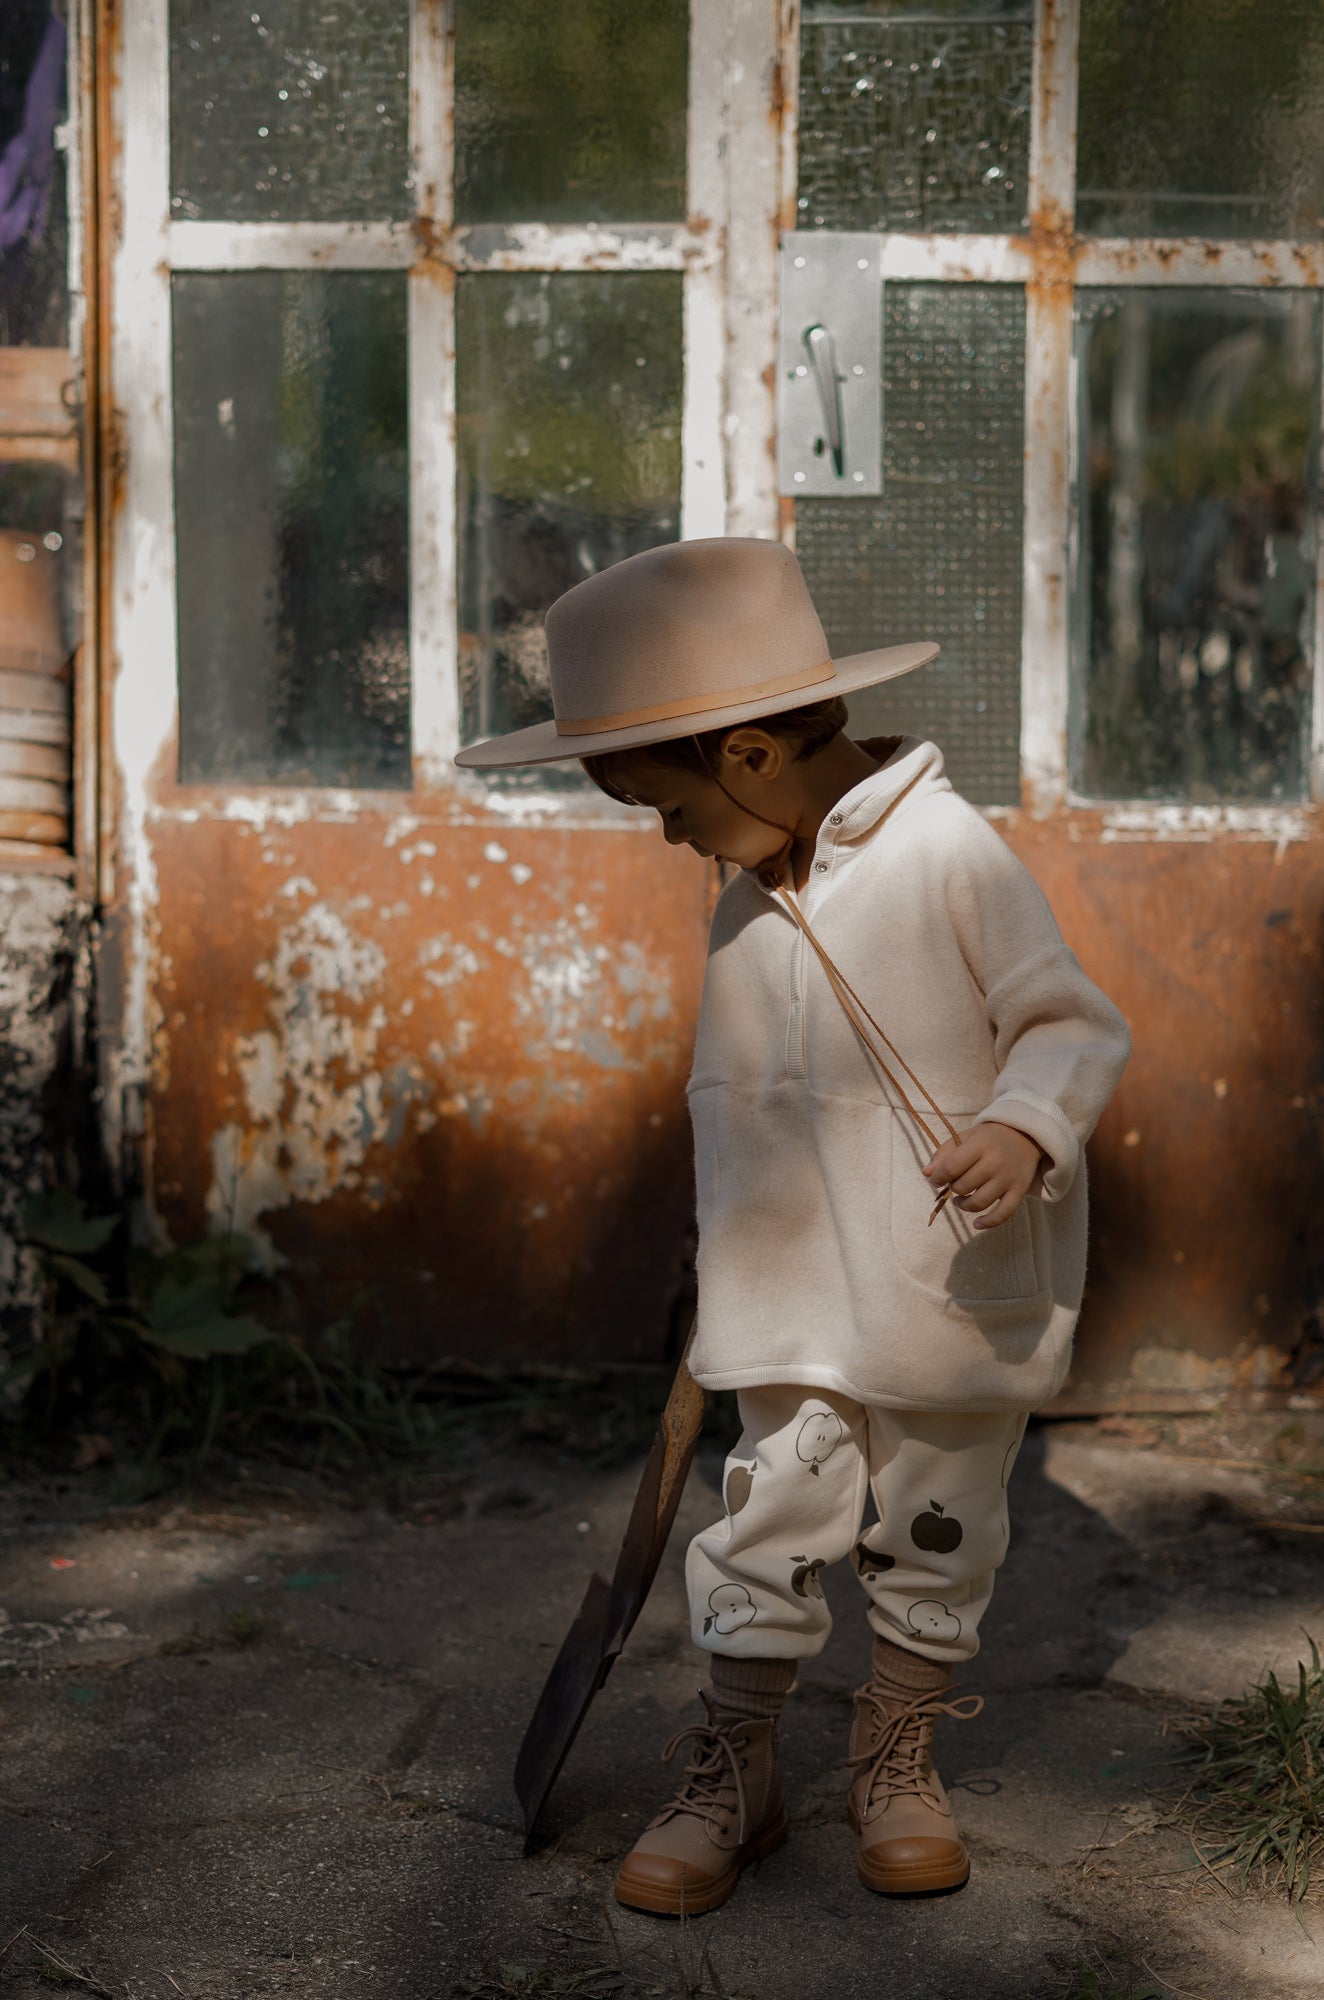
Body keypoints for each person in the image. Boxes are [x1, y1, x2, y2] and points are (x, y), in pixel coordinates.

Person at [456, 539, 1131, 1914]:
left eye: (667, 805)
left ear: (753, 757)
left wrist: (1025, 1126)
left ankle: (896, 1755)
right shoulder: (748, 896)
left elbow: (1068, 1022)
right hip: (792, 1294)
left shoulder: (947, 852)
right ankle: (739, 1768)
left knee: (939, 1527)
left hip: (948, 1284)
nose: (669, 836)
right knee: (769, 1517)